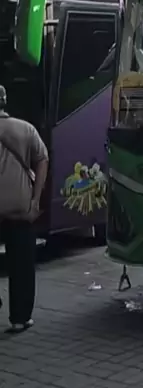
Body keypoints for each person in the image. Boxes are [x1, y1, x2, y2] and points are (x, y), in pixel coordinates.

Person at [0, 84, 49, 334]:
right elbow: (42, 159)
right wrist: (35, 199)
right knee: (21, 266)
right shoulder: (25, 128)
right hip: (20, 208)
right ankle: (20, 318)